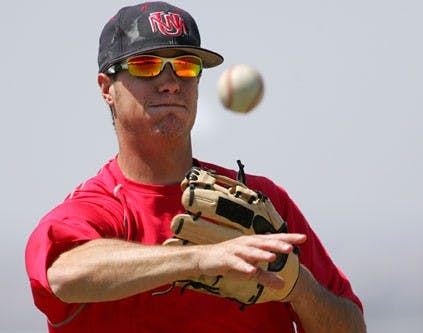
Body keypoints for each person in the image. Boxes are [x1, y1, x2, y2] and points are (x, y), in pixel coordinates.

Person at [25, 2, 366, 332]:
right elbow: (64, 275)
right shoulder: (98, 209)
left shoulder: (261, 201)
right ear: (106, 89)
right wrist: (202, 259)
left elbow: (351, 327)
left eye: (186, 66)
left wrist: (299, 287)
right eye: (147, 65)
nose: (171, 81)